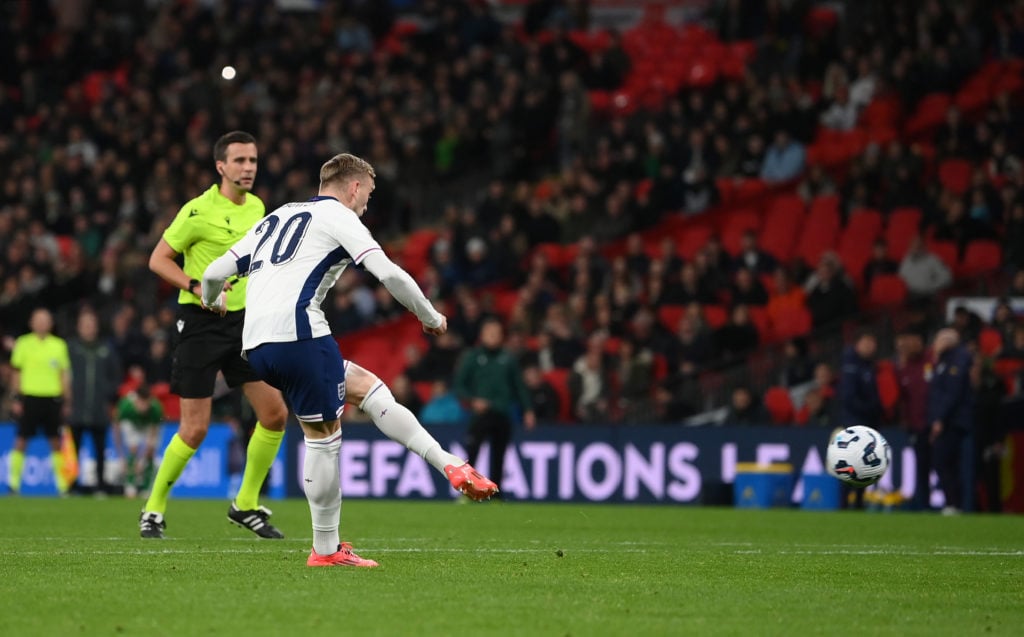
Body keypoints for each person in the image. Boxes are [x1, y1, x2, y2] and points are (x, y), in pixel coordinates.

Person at [201, 152, 497, 568]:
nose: (367, 204)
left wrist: (213, 303)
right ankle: (325, 550)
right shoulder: (339, 217)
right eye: (368, 195)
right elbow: (390, 274)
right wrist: (430, 317)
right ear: (354, 187)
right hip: (300, 334)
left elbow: (214, 272)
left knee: (367, 388)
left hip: (256, 345)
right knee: (323, 436)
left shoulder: (279, 216)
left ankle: (449, 462)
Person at [140, 131, 290, 540]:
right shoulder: (197, 211)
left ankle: (244, 504)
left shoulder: (259, 207)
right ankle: (153, 509)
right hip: (201, 324)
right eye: (240, 161)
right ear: (220, 166)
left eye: (253, 160)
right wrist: (194, 286)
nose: (248, 168)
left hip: (245, 324)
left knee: (275, 414)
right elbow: (158, 260)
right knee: (194, 428)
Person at [454, 317, 536, 488]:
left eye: (496, 333)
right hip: (480, 414)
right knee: (472, 452)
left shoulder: (508, 358)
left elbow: (519, 386)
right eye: (489, 333)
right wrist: (472, 400)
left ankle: (496, 493)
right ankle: (469, 490)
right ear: (482, 335)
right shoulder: (473, 357)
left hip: (501, 413)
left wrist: (528, 409)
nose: (493, 337)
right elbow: (459, 385)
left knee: (499, 455)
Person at [6, 308, 72, 495]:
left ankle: (62, 486)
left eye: (46, 320)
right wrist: (16, 398)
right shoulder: (23, 343)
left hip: (52, 398)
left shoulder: (59, 345)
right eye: (38, 320)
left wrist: (67, 400)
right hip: (30, 398)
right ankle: (13, 484)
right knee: (21, 440)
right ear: (31, 323)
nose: (42, 323)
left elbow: (64, 374)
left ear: (51, 323)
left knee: (55, 442)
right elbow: (16, 373)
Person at [67, 308, 121, 495]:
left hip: (99, 408)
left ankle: (100, 484)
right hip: (77, 408)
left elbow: (116, 376)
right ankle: (72, 484)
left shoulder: (105, 349)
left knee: (100, 449)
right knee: (73, 450)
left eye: (91, 325)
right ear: (79, 327)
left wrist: (107, 393)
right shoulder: (71, 348)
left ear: (96, 328)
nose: (88, 328)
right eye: (85, 325)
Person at [927, 328, 975, 515]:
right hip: (950, 419)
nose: (935, 343)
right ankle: (954, 503)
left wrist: (939, 418)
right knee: (946, 462)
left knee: (943, 461)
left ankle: (954, 503)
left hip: (953, 421)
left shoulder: (958, 359)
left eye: (939, 339)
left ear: (949, 340)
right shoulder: (944, 360)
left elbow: (951, 394)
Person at [837, 331, 882, 509]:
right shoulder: (851, 366)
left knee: (865, 463)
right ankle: (845, 502)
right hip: (854, 422)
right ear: (858, 343)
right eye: (867, 342)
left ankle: (858, 501)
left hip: (867, 421)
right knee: (851, 462)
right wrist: (870, 409)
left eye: (873, 342)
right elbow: (849, 397)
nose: (871, 346)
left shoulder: (869, 366)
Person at [117, 384, 164, 498]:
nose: (143, 407)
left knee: (151, 452)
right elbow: (116, 429)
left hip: (148, 426)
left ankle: (147, 488)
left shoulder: (156, 408)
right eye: (141, 403)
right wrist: (121, 455)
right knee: (133, 449)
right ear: (136, 400)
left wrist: (141, 460)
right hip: (132, 424)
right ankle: (130, 484)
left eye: (146, 403)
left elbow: (153, 435)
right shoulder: (125, 406)